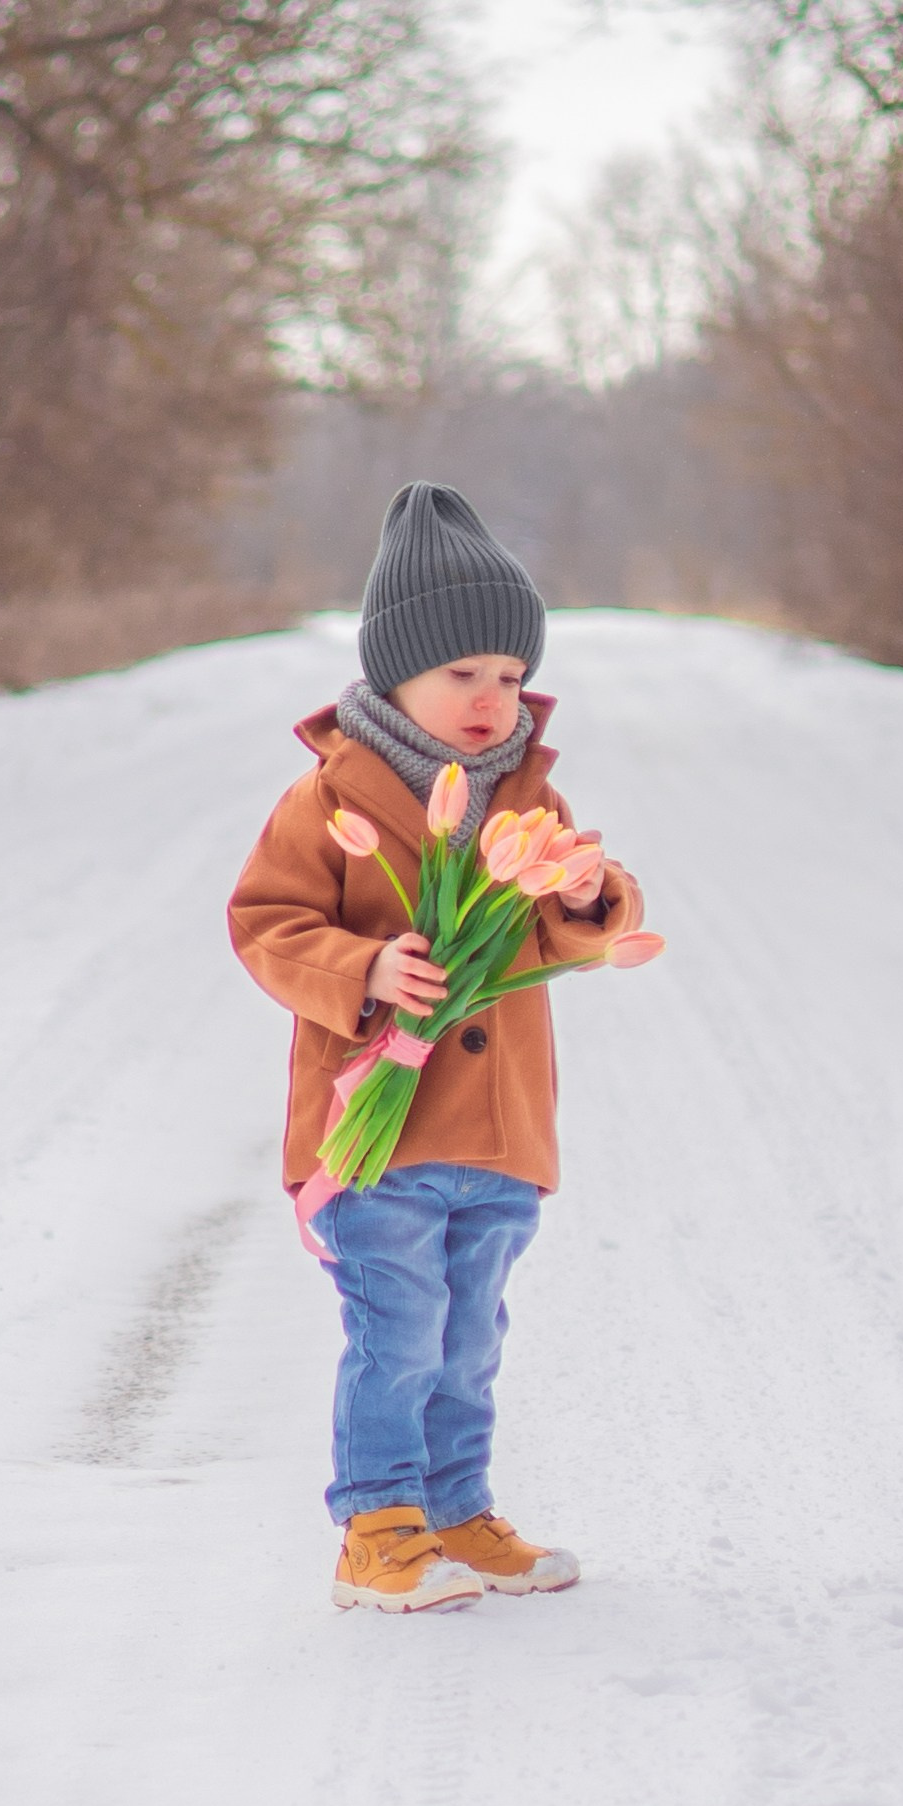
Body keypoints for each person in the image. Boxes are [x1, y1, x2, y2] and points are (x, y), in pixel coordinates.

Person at [229, 482, 643, 1614]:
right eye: (462, 673)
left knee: (468, 1344)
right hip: (380, 1135)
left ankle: (458, 1509)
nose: (490, 697)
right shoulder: (329, 799)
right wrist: (359, 970)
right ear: (395, 673)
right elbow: (264, 923)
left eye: (508, 676)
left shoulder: (526, 801)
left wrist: (595, 897)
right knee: (399, 1334)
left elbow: (569, 916)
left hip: (498, 1135)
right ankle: (378, 1529)